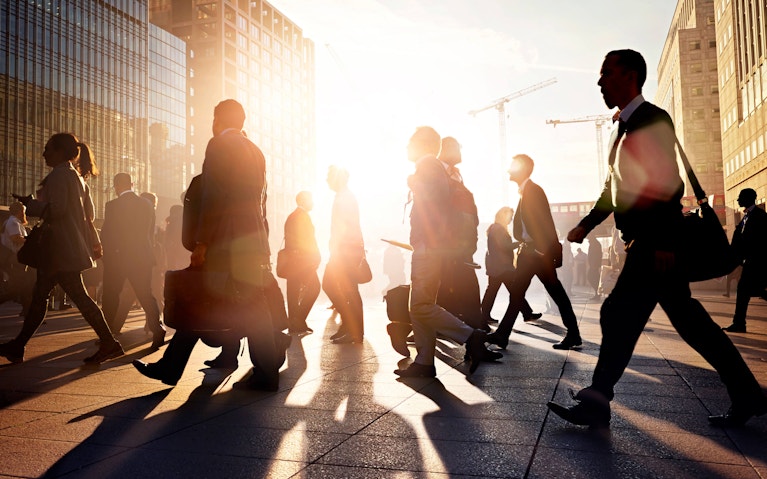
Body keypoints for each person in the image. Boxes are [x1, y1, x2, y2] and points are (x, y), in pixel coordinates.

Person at [547, 49, 767, 428]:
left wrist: (665, 241)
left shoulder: (652, 119)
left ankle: (597, 401)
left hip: (653, 245)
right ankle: (748, 395)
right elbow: (611, 191)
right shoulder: (623, 128)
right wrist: (586, 224)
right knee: (690, 324)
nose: (600, 82)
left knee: (617, 314)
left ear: (630, 76)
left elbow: (668, 182)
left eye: (607, 74)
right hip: (648, 243)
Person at [132, 99, 281, 391]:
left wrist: (202, 242)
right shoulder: (256, 151)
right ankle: (265, 372)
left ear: (218, 119)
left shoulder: (219, 145)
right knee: (253, 308)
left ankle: (172, 366)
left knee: (200, 299)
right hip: (252, 241)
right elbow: (261, 203)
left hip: (225, 240)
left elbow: (213, 197)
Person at [0, 133, 123, 364]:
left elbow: (56, 210)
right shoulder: (77, 177)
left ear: (59, 152)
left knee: (74, 297)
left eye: (48, 149)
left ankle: (109, 342)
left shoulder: (58, 175)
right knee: (42, 296)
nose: (44, 153)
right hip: (66, 248)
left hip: (58, 249)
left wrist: (31, 204)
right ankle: (18, 345)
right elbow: (89, 215)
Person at [394, 126, 500, 378]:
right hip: (431, 246)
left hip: (429, 248)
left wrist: (426, 240)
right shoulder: (432, 166)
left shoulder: (428, 165)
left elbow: (436, 202)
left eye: (410, 142)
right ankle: (423, 362)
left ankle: (470, 336)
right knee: (420, 305)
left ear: (421, 144)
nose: (406, 147)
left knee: (420, 306)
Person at [486, 154, 582, 351]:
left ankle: (573, 334)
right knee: (519, 294)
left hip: (536, 255)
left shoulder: (533, 191)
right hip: (529, 254)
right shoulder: (525, 192)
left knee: (554, 293)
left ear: (522, 170)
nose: (508, 170)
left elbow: (545, 221)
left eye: (512, 166)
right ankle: (503, 335)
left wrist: (541, 250)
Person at [99, 173, 165, 348]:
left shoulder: (112, 205)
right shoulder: (147, 204)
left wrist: (108, 255)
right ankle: (157, 328)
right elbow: (150, 232)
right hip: (142, 256)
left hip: (119, 258)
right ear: (132, 184)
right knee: (145, 294)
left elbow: (108, 233)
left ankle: (108, 333)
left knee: (111, 294)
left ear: (116, 186)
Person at [433, 137, 486, 330]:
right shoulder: (437, 171)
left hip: (461, 242)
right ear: (447, 148)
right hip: (447, 242)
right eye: (458, 148)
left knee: (455, 285)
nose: (461, 153)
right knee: (447, 286)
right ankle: (473, 328)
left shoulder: (456, 174)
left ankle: (474, 326)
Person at [322, 166, 365, 344]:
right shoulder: (343, 196)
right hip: (344, 250)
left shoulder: (345, 198)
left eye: (329, 177)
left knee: (345, 289)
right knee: (340, 288)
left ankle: (353, 330)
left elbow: (347, 226)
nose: (326, 181)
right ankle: (349, 326)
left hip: (345, 251)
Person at [480, 206, 542, 325]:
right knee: (515, 290)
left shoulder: (494, 228)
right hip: (502, 267)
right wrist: (520, 243)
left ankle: (484, 316)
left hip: (496, 266)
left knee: (493, 291)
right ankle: (526, 313)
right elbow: (504, 246)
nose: (511, 219)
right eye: (510, 216)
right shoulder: (498, 229)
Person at [722, 188, 767, 333]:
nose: (738, 200)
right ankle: (739, 323)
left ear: (749, 198)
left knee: (746, 291)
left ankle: (739, 323)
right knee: (747, 291)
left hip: (757, 263)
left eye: (740, 197)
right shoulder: (746, 217)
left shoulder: (760, 216)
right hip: (749, 263)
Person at [284, 191, 321, 336]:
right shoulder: (302, 216)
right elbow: (308, 240)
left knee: (293, 292)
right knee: (314, 288)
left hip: (293, 261)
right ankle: (298, 319)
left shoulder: (293, 216)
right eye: (311, 199)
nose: (312, 202)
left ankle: (295, 324)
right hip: (302, 262)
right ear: (304, 200)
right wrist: (315, 256)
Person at [0, 201, 33, 315]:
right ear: (20, 212)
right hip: (16, 259)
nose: (25, 214)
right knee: (18, 287)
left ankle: (27, 311)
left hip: (17, 259)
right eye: (23, 211)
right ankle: (28, 312)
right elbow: (15, 238)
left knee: (24, 286)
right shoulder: (13, 222)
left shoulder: (11, 222)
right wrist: (30, 240)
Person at [587, 232, 603, 299]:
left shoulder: (595, 243)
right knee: (594, 278)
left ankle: (597, 293)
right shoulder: (594, 243)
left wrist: (594, 264)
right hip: (593, 265)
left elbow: (597, 255)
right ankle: (597, 293)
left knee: (592, 277)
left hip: (594, 265)